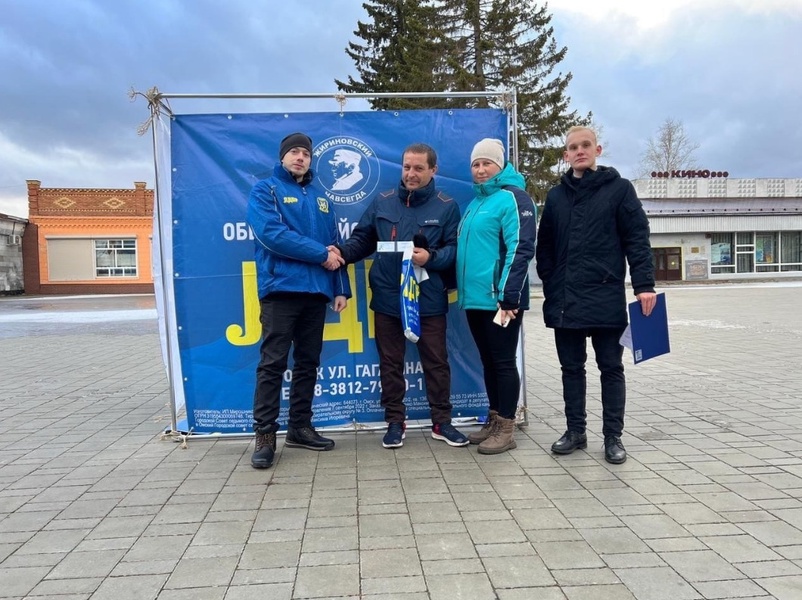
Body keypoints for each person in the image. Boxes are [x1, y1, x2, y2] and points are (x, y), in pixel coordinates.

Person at [333, 143, 468, 449]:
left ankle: (441, 422)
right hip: (387, 298)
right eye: (407, 167)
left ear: (433, 170)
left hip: (429, 298)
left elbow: (455, 251)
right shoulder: (382, 202)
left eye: (419, 168)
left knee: (436, 362)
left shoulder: (447, 206)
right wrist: (340, 252)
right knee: (390, 363)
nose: (411, 174)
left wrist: (430, 257)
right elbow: (362, 240)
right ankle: (395, 422)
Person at [536, 126, 656, 464]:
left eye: (585, 145)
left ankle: (613, 437)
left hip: (605, 296)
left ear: (597, 149)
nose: (579, 151)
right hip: (565, 300)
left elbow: (637, 239)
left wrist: (644, 285)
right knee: (571, 368)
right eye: (572, 147)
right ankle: (575, 431)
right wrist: (551, 279)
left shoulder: (619, 190)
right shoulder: (556, 196)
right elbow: (544, 246)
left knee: (611, 368)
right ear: (565, 155)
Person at [247, 132, 351, 469]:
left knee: (308, 361)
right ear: (282, 158)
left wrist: (340, 287)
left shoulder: (322, 198)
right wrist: (321, 254)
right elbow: (271, 235)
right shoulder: (266, 190)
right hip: (281, 290)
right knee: (273, 362)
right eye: (294, 152)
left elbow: (334, 245)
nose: (300, 158)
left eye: (305, 154)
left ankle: (300, 427)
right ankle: (264, 434)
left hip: (316, 291)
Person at [456, 138, 537, 455]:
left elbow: (521, 248)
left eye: (486, 163)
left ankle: (507, 426)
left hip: (500, 300)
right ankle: (493, 418)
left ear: (500, 165)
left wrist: (509, 296)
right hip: (475, 300)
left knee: (503, 362)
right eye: (475, 164)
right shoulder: (474, 204)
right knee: (488, 361)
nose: (480, 169)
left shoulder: (514, 199)